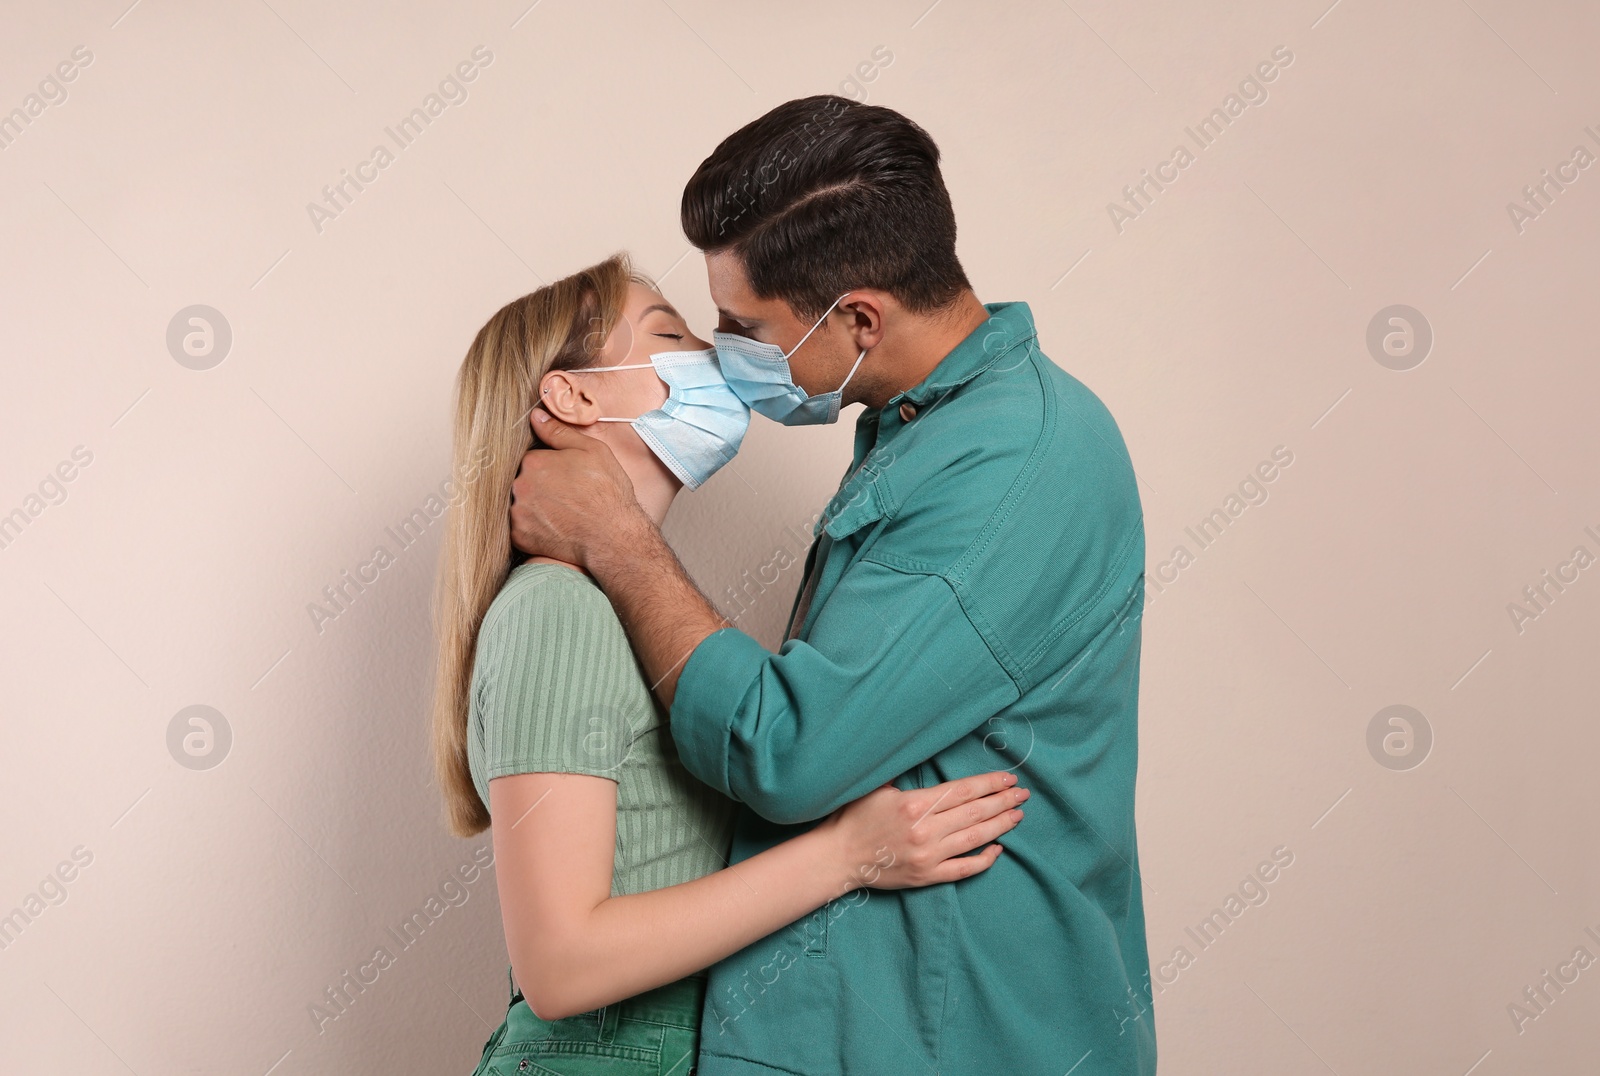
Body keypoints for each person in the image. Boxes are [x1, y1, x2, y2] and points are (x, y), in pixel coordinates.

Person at [509, 97, 1156, 1074]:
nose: (725, 354)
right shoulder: (920, 427)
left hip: (963, 1037)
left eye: (740, 326)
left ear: (858, 316)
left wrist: (619, 541)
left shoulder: (1014, 462)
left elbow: (792, 752)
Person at [431, 253, 1030, 1076]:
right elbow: (560, 967)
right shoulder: (556, 609)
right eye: (670, 334)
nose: (717, 360)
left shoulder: (620, 605)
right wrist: (848, 855)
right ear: (572, 397)